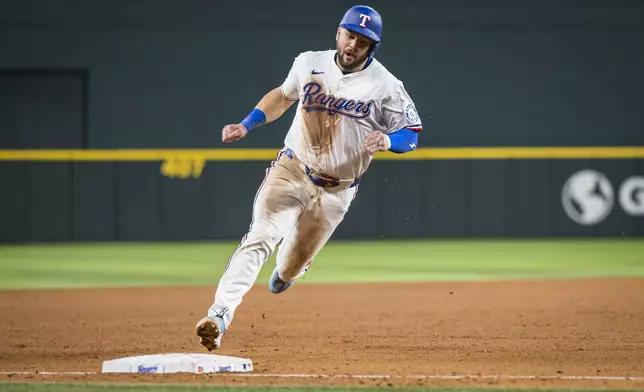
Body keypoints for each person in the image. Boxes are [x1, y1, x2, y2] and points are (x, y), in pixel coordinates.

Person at [196, 4, 423, 351]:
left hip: (337, 191)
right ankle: (219, 314)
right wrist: (247, 124)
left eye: (362, 41)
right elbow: (283, 96)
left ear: (371, 47)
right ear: (338, 33)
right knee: (261, 236)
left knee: (287, 267)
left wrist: (390, 140)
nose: (352, 45)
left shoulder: (387, 86)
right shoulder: (308, 63)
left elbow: (412, 132)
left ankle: (289, 272)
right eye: (349, 35)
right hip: (292, 169)